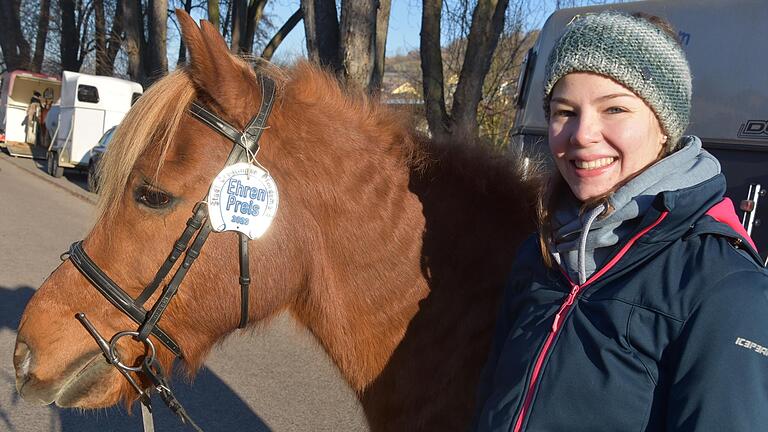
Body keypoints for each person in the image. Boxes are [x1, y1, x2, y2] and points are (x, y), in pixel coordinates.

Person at [472, 11, 768, 432]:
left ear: (665, 125)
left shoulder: (723, 286)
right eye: (564, 111)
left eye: (614, 108)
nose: (581, 133)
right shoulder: (543, 253)